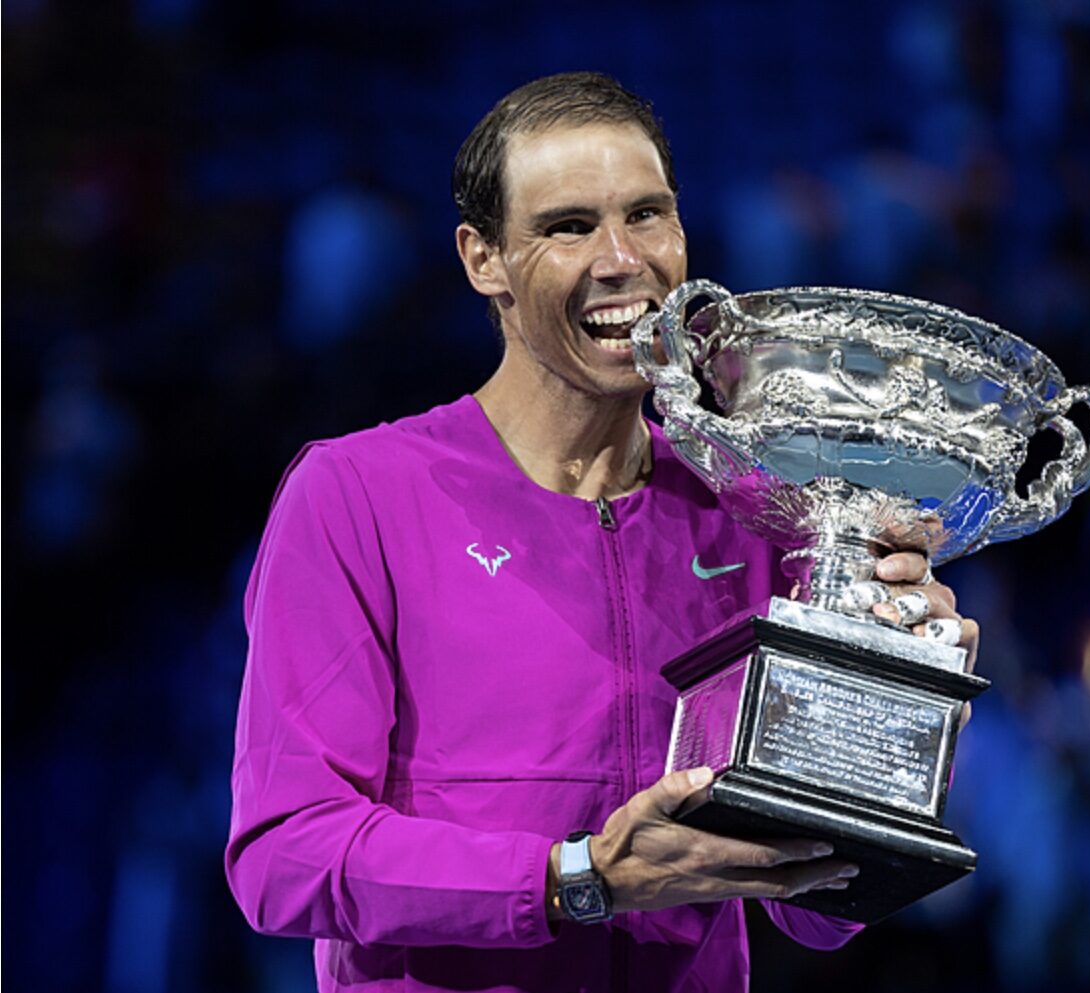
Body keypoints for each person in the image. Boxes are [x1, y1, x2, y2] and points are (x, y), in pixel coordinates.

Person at [225, 71, 978, 992]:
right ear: (483, 259)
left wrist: (887, 710)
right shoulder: (357, 494)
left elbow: (809, 907)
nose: (622, 260)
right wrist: (573, 881)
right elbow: (284, 855)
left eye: (648, 215)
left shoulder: (751, 509)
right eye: (568, 226)